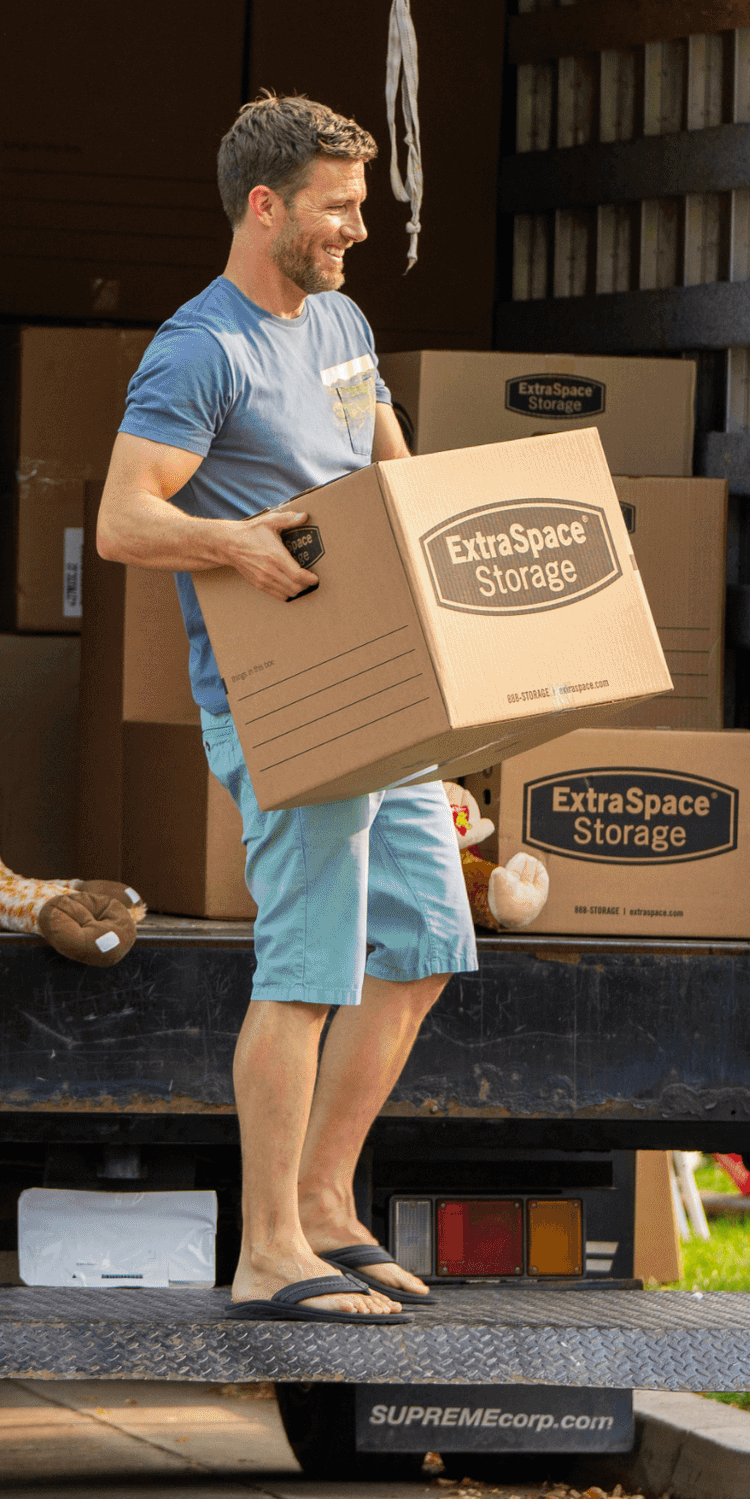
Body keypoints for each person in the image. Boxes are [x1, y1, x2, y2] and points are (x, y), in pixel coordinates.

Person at [93, 94, 474, 1323]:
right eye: (338, 207)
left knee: (420, 945)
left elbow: (386, 459)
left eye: (361, 205)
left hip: (383, 688)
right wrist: (236, 547)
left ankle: (321, 1202)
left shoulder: (345, 323)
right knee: (308, 965)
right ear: (265, 206)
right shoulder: (200, 350)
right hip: (288, 701)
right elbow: (122, 518)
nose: (358, 228)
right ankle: (266, 1251)